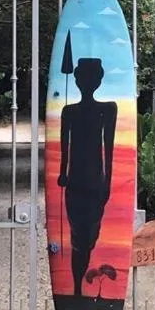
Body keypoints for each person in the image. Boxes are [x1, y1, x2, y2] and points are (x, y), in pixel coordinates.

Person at [58, 58, 117, 296]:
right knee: (77, 237)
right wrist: (62, 173)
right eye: (82, 77)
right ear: (76, 80)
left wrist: (108, 181)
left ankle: (80, 284)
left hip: (94, 181)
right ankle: (76, 289)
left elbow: (109, 148)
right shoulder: (68, 111)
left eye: (91, 77)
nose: (86, 82)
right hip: (76, 182)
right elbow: (65, 146)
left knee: (90, 236)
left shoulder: (108, 109)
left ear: (98, 80)